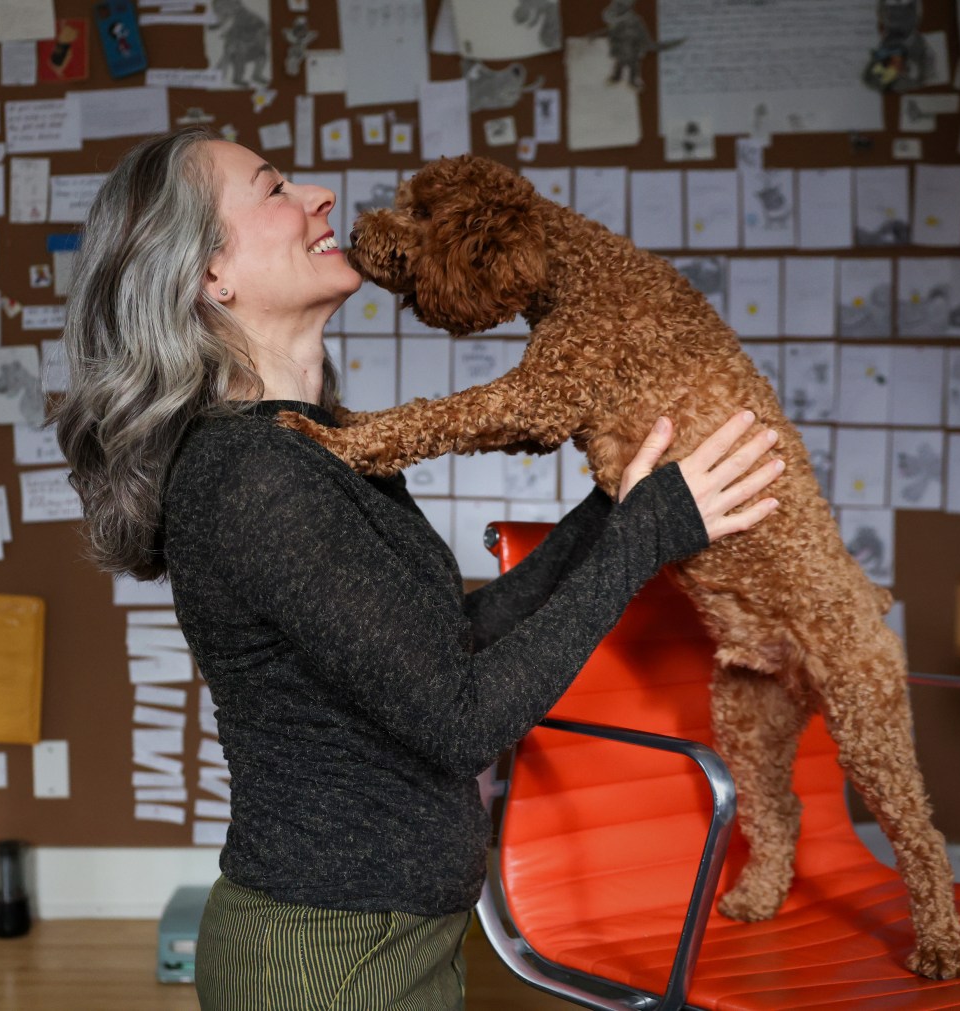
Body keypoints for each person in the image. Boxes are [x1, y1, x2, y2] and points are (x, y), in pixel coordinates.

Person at [54, 128, 782, 1010]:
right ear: (211, 274)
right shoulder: (253, 475)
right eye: (275, 188)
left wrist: (616, 509)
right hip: (324, 960)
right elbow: (462, 719)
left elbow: (450, 648)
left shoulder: (315, 447)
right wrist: (645, 534)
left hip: (394, 935)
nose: (319, 196)